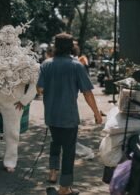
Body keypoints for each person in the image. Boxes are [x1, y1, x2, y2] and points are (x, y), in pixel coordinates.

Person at [37, 33, 102, 195]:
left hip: (51, 115)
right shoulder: (77, 65)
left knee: (55, 141)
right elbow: (87, 93)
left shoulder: (46, 64)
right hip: (69, 116)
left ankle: (53, 172)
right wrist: (97, 113)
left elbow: (40, 89)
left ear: (56, 47)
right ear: (71, 47)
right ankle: (64, 188)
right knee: (68, 150)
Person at [0, 25, 39, 173]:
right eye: (2, 42)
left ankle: (10, 162)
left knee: (12, 134)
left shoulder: (26, 61)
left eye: (8, 43)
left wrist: (24, 101)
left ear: (16, 42)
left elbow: (34, 85)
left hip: (14, 104)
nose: (5, 45)